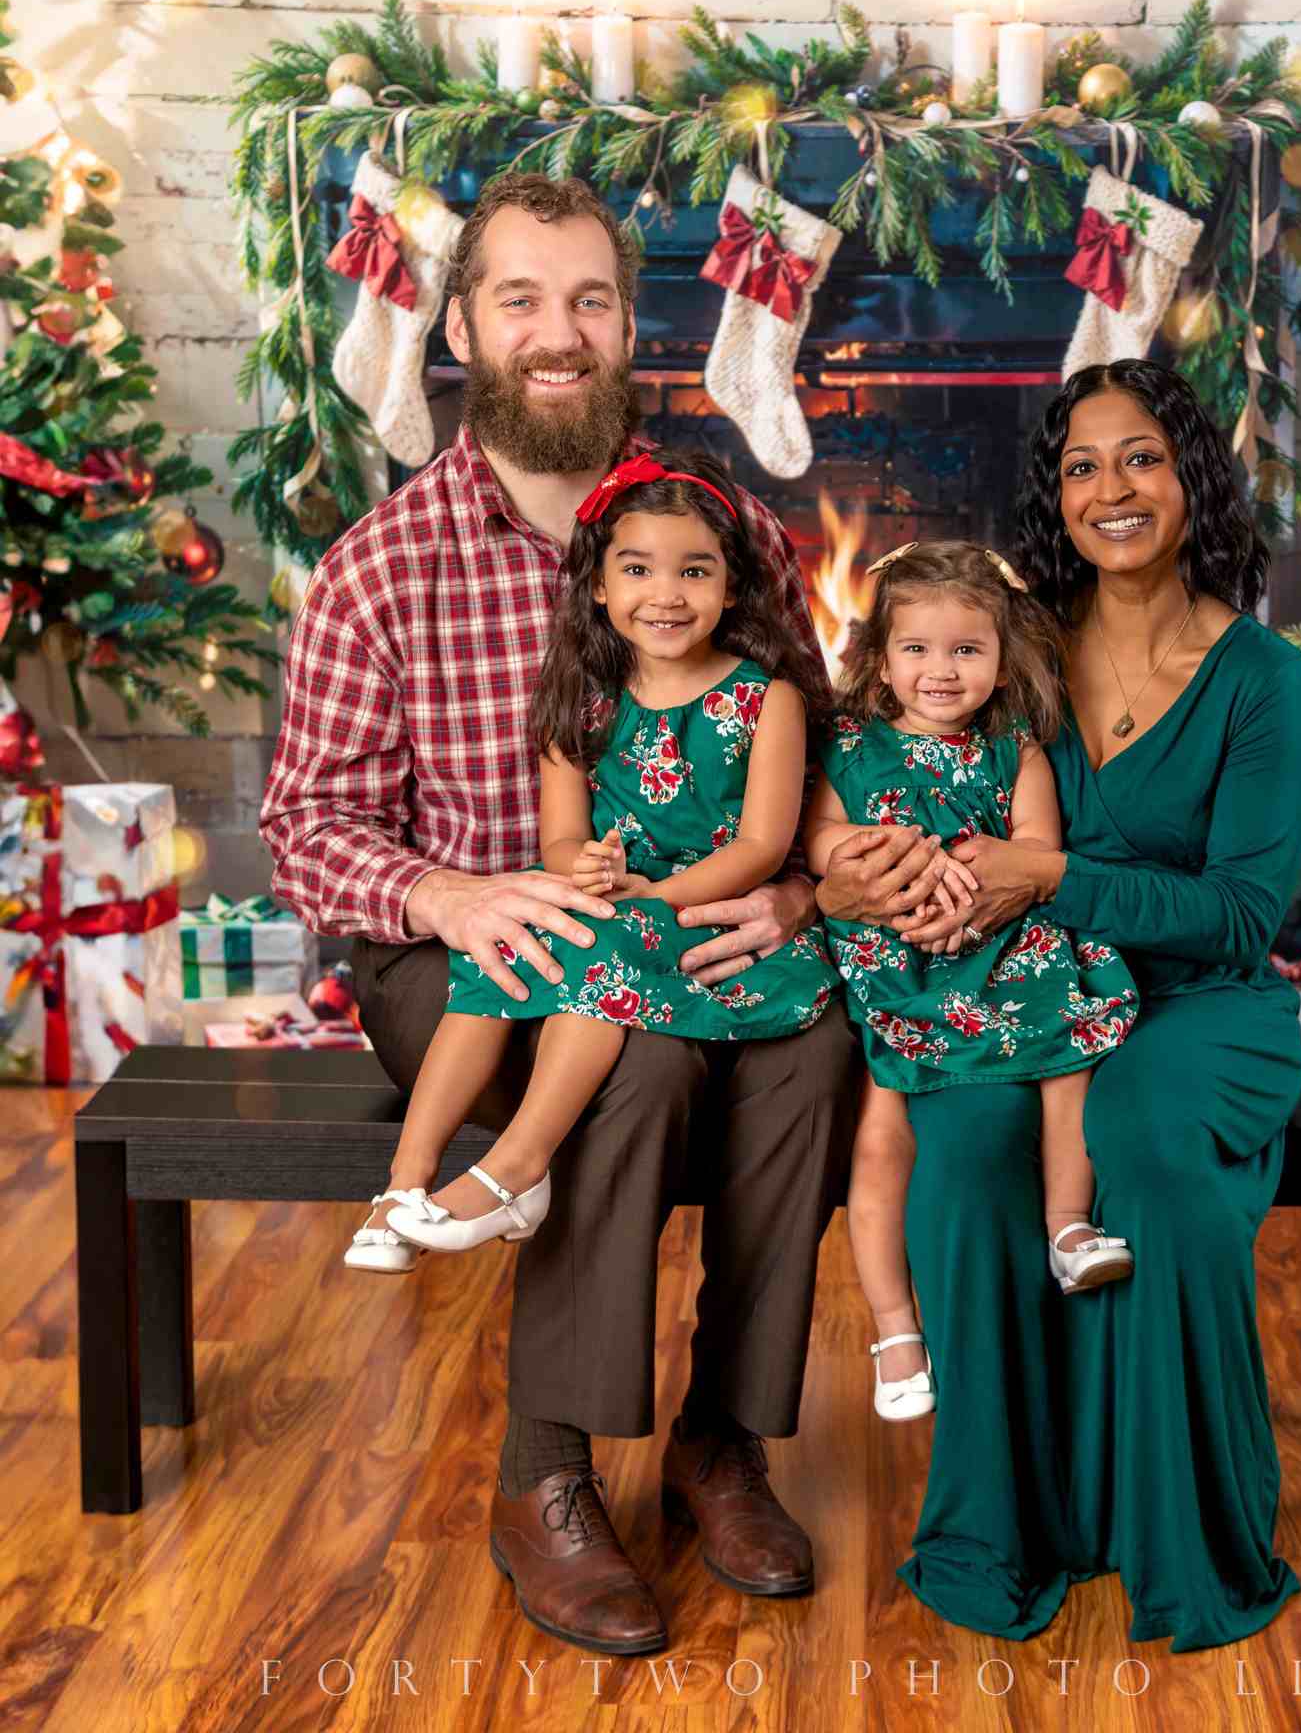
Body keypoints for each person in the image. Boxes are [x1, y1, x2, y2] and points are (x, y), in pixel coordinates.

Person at [261, 173, 951, 1657]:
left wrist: (788, 890)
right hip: (465, 957)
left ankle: (721, 1438)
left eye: (588, 301)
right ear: (463, 326)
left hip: (698, 919)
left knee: (816, 1047)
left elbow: (810, 750)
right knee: (626, 1058)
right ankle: (546, 1472)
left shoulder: (725, 533)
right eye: (520, 298)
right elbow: (305, 827)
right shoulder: (379, 567)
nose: (556, 334)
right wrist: (449, 889)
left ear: (629, 329)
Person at [815, 359, 1301, 1653]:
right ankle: (1000, 1523)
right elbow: (887, 781)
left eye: (1138, 456)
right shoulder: (1010, 643)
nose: (1111, 487)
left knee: (1140, 1145)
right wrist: (868, 881)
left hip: (1197, 1003)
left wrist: (1049, 875)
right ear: (1053, 493)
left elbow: (1239, 917)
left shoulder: (1258, 676)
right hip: (1011, 990)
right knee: (967, 1149)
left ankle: (1179, 1532)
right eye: (1080, 465)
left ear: (1188, 474)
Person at [343, 449, 840, 1267]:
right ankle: (403, 1181)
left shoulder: (767, 699)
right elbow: (561, 840)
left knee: (593, 961)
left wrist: (655, 898)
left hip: (713, 923)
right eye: (637, 568)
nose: (666, 594)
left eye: (694, 570)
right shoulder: (578, 699)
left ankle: (517, 1167)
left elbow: (759, 848)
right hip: (622, 909)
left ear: (731, 587)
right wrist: (586, 872)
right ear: (601, 586)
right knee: (499, 947)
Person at [804, 540, 1140, 1424]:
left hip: (996, 941)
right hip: (894, 948)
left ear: (1001, 658)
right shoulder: (847, 747)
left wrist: (983, 881)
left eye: (966, 651)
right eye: (916, 649)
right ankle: (893, 1328)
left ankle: (1068, 1226)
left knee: (1069, 1053)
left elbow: (1037, 851)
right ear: (879, 660)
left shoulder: (1012, 749)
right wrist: (899, 861)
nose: (941, 671)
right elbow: (818, 841)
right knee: (881, 1136)